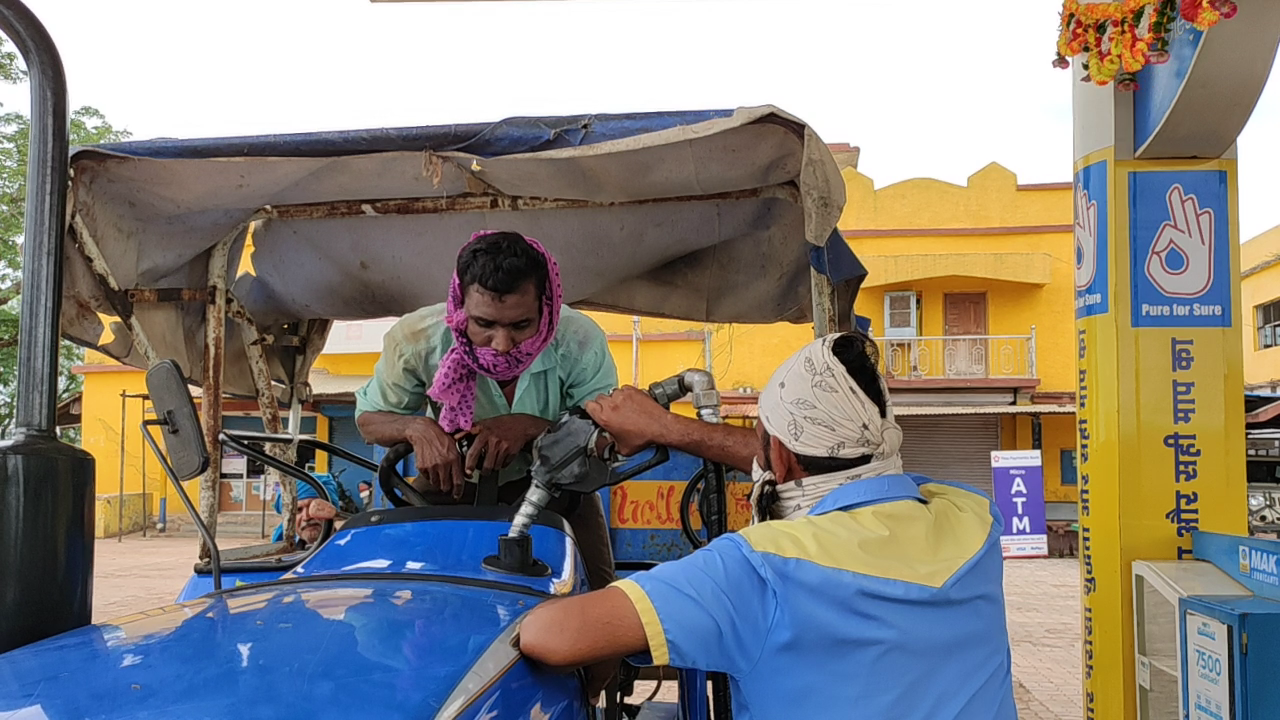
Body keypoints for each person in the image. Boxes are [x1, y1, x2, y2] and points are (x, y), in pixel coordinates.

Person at [519, 331, 1018, 719]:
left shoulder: (756, 571)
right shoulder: (972, 519)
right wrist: (668, 428)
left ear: (777, 456)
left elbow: (550, 636)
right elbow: (820, 470)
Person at [352, 229, 619, 590]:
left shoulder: (580, 339)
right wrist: (417, 429)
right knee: (399, 597)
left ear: (547, 304)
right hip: (449, 482)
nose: (503, 345)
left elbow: (607, 437)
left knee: (600, 602)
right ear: (459, 307)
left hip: (560, 487)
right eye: (484, 324)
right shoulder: (416, 338)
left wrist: (530, 427)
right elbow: (369, 420)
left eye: (521, 325)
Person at [271, 473, 341, 548]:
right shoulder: (288, 554)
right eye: (298, 510)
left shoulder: (350, 547)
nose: (306, 517)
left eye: (315, 508)